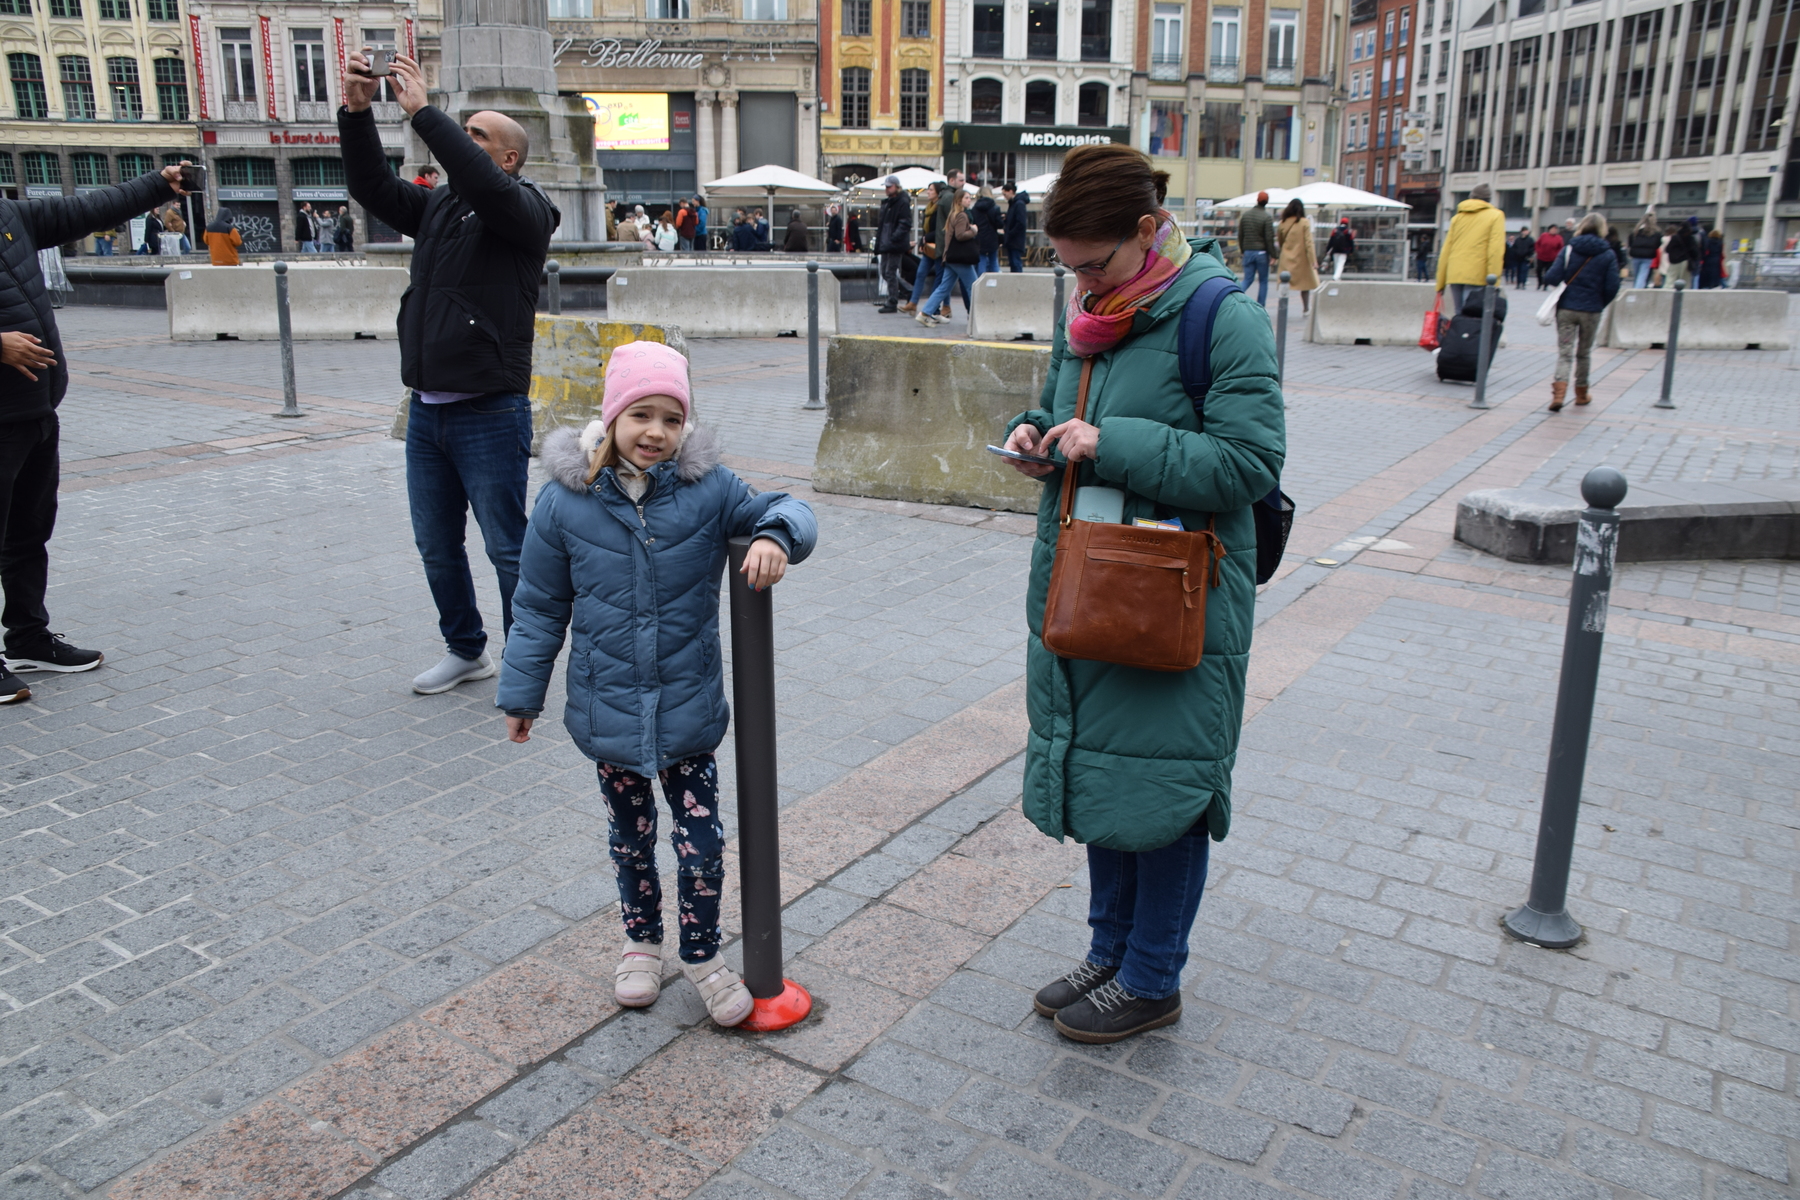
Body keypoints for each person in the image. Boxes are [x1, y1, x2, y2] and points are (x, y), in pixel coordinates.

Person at [996, 142, 1283, 1044]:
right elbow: (1063, 412)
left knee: (1165, 785)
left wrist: (1107, 442)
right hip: (1091, 576)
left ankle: (1153, 976)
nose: (1080, 283)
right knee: (1104, 773)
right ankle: (1109, 952)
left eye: (1093, 263)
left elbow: (1248, 463)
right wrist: (1037, 436)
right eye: (1068, 267)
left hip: (1172, 591)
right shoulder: (1092, 313)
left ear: (1149, 230)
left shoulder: (1222, 316)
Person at [497, 341, 816, 1027]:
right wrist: (522, 694)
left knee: (701, 846)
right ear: (611, 416)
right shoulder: (563, 503)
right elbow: (539, 605)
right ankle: (642, 943)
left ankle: (701, 953)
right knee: (631, 840)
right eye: (641, 415)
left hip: (686, 711)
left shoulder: (708, 490)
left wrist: (775, 537)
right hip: (609, 712)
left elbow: (788, 507)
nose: (656, 433)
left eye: (672, 419)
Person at [341, 49, 559, 695]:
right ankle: (466, 650)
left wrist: (423, 113)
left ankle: (526, 659)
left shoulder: (527, 210)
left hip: (489, 410)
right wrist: (356, 113)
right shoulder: (439, 208)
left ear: (508, 158)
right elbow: (372, 188)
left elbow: (487, 189)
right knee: (436, 546)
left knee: (507, 547)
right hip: (427, 411)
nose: (462, 140)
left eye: (476, 135)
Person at [0, 158, 193, 703]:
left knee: (27, 535)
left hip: (34, 409)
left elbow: (85, 211)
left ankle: (28, 638)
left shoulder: (9, 216)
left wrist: (158, 185)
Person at [1543, 212, 1621, 412]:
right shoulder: (1608, 253)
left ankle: (1558, 395)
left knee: (1565, 354)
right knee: (1584, 354)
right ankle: (1581, 394)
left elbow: (1551, 277)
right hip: (1591, 310)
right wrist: (1599, 302)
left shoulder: (1569, 249)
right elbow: (1613, 286)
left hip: (1567, 308)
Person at [1436, 183, 1506, 313]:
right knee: (1472, 315)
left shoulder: (1457, 218)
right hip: (1477, 274)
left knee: (1459, 313)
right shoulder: (1496, 216)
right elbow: (1495, 251)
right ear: (1488, 199)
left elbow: (1446, 250)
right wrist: (1494, 281)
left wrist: (1440, 283)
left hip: (1454, 273)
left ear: (1471, 197)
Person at [915, 185, 979, 327]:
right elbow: (960, 235)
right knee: (974, 286)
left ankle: (924, 313)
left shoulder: (952, 215)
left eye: (970, 198)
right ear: (959, 200)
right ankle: (977, 318)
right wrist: (973, 231)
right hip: (960, 258)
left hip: (950, 256)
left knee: (943, 287)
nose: (969, 200)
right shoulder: (962, 215)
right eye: (967, 198)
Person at [902, 181, 944, 314]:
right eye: (928, 189)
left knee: (939, 276)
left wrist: (927, 238)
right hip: (928, 248)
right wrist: (922, 242)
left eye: (931, 190)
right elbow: (925, 230)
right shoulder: (928, 208)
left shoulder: (940, 208)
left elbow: (941, 229)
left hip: (938, 247)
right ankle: (913, 302)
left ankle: (935, 307)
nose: (928, 192)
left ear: (938, 192)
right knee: (920, 273)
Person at [875, 175, 911, 313]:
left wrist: (894, 238)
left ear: (897, 187)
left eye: (889, 187)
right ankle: (907, 291)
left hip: (893, 243)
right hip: (888, 242)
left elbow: (905, 223)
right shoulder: (888, 203)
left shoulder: (901, 202)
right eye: (886, 187)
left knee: (889, 272)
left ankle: (893, 300)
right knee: (885, 272)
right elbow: (883, 225)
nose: (887, 189)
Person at [1277, 198, 1319, 314]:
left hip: (1286, 258)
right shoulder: (1304, 222)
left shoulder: (1282, 223)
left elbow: (1280, 241)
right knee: (1305, 284)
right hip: (1301, 258)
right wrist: (1313, 260)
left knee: (1284, 284)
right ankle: (1305, 308)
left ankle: (1282, 307)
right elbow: (1309, 243)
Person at [971, 185, 1002, 276]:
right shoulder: (995, 207)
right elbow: (999, 224)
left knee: (981, 262)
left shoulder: (975, 208)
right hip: (992, 238)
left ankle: (981, 282)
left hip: (980, 238)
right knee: (994, 262)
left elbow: (973, 222)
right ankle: (995, 281)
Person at [1663, 216, 1699, 288]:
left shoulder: (1675, 237)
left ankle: (1668, 292)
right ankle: (1684, 293)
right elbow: (1694, 251)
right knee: (1685, 281)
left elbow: (1667, 249)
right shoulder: (1691, 238)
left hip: (1674, 261)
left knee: (1670, 279)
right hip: (1686, 261)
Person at [1627, 215, 1660, 289]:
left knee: (1636, 275)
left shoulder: (1636, 232)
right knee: (1642, 275)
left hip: (1635, 255)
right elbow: (1657, 245)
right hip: (1648, 256)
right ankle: (1638, 289)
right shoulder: (1656, 233)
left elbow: (1630, 243)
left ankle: (1635, 289)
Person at [1003, 182, 1029, 272]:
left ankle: (1018, 279)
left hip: (1015, 239)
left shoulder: (1018, 204)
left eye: (1005, 194)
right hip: (1013, 239)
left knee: (1015, 262)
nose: (1004, 197)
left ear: (1010, 191)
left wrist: (1010, 233)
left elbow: (1021, 223)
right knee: (1014, 262)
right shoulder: (1014, 203)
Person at [1533, 223, 1563, 288]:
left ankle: (1545, 284)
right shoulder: (1544, 235)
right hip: (1541, 256)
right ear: (1549, 229)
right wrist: (1538, 251)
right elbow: (1537, 244)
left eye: (1555, 229)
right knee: (1539, 270)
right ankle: (1540, 282)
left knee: (1548, 271)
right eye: (1552, 229)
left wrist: (1556, 254)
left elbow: (1560, 247)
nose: (1553, 230)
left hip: (1551, 258)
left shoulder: (1558, 238)